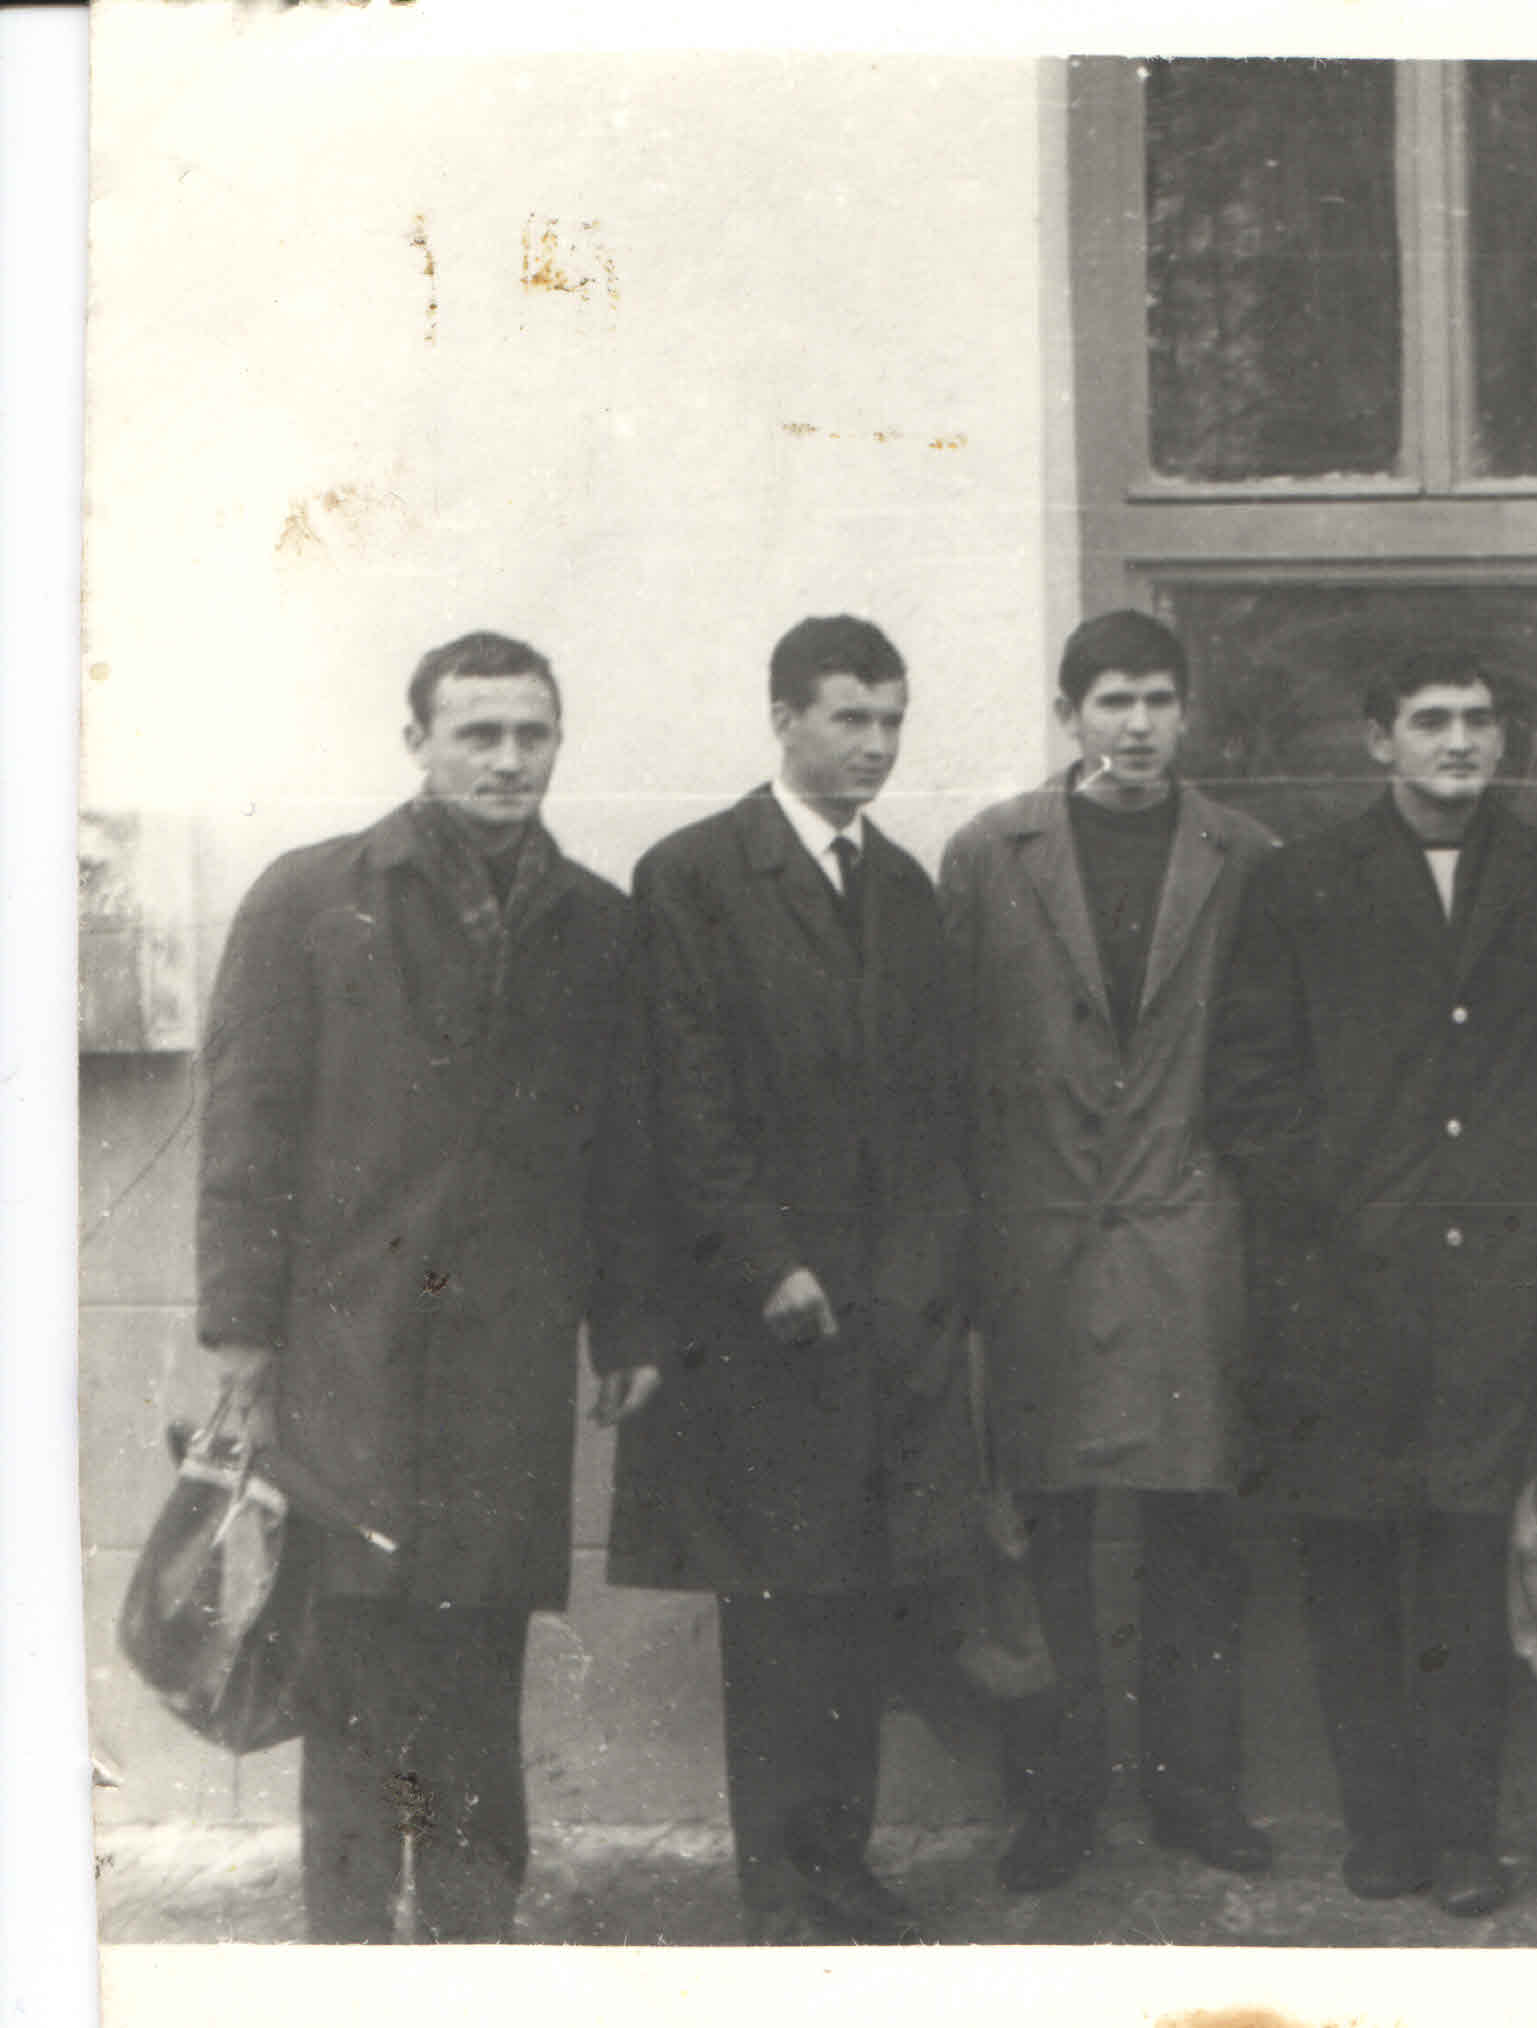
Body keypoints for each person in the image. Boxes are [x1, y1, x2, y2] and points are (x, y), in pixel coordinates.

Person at [193, 630, 656, 1942]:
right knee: (349, 1664)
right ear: (418, 744)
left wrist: (627, 1322)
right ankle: (350, 1957)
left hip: (505, 1361)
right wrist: (241, 1337)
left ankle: (469, 1952)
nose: (509, 760)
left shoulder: (598, 924)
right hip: (346, 1350)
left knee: (474, 1662)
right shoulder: (310, 898)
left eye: (532, 734)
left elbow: (624, 1145)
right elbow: (247, 1129)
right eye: (478, 734)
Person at [1204, 649, 1537, 1920]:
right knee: (1347, 1565)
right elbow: (1248, 1089)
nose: (1458, 742)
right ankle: (1380, 1829)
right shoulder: (1299, 884)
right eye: (1429, 721)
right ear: (1377, 740)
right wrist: (1332, 1224)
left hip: (1492, 1287)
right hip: (1337, 1292)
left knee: (1464, 1560)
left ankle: (1465, 1834)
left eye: (1478, 720)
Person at [606, 615, 977, 1945]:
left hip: (883, 1317)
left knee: (863, 1596)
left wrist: (926, 1278)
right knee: (776, 1610)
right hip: (759, 1321)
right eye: (848, 719)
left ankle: (844, 1864)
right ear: (784, 720)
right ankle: (780, 1885)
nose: (875, 746)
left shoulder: (904, 888)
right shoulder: (696, 875)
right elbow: (684, 1102)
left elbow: (931, 1110)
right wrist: (766, 1262)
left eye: (891, 721)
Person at [936, 610, 1280, 1892]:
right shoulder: (992, 853)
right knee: (1043, 1534)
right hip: (1038, 1239)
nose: (1137, 726)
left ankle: (1199, 1795)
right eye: (1112, 702)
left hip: (1187, 1229)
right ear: (1068, 714)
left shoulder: (1242, 854)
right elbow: (951, 1056)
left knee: (1197, 1530)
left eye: (1157, 701)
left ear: (1188, 712)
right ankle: (1054, 1803)